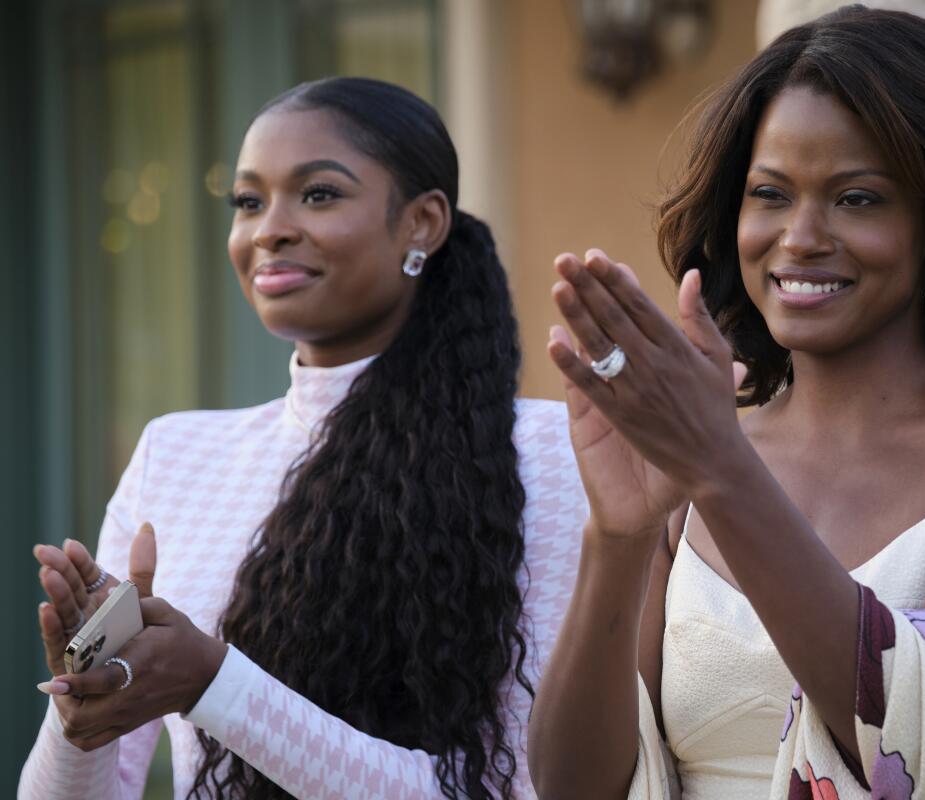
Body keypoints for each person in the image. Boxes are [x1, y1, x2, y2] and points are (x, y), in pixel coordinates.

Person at [528, 7, 925, 800]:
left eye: (857, 199)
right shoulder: (690, 479)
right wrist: (618, 535)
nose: (801, 235)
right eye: (770, 193)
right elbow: (573, 787)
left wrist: (718, 466)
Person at [20, 77, 587, 800]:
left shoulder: (547, 456)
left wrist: (214, 682)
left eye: (317, 194)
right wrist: (80, 715)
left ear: (422, 223)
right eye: (249, 202)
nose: (269, 229)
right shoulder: (174, 457)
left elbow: (523, 787)